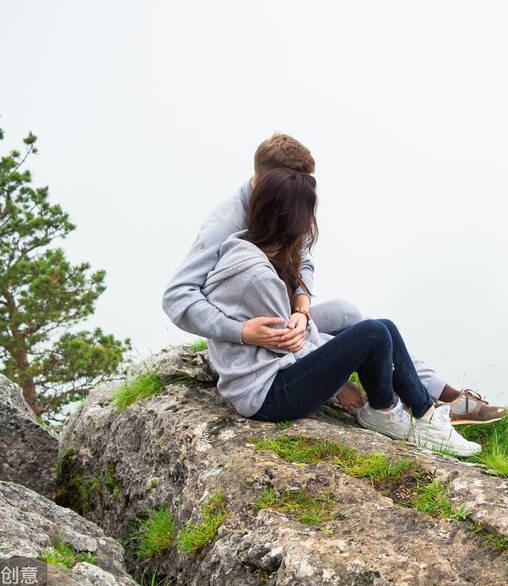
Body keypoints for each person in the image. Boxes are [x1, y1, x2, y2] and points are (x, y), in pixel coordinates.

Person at [161, 132, 506, 425]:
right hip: (256, 342)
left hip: (284, 318)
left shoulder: (281, 207)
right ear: (273, 184)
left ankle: (440, 396)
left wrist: (301, 305)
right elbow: (178, 297)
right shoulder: (225, 224)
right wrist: (241, 331)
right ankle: (402, 408)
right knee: (367, 336)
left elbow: (302, 259)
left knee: (348, 313)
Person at [202, 167, 480, 457]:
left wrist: (304, 309)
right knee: (373, 335)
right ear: (291, 218)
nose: (311, 221)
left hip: (265, 372)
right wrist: (341, 383)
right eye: (308, 212)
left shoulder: (252, 245)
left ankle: (424, 414)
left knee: (383, 327)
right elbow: (289, 349)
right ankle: (388, 411)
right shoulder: (258, 277)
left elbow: (294, 330)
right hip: (266, 394)